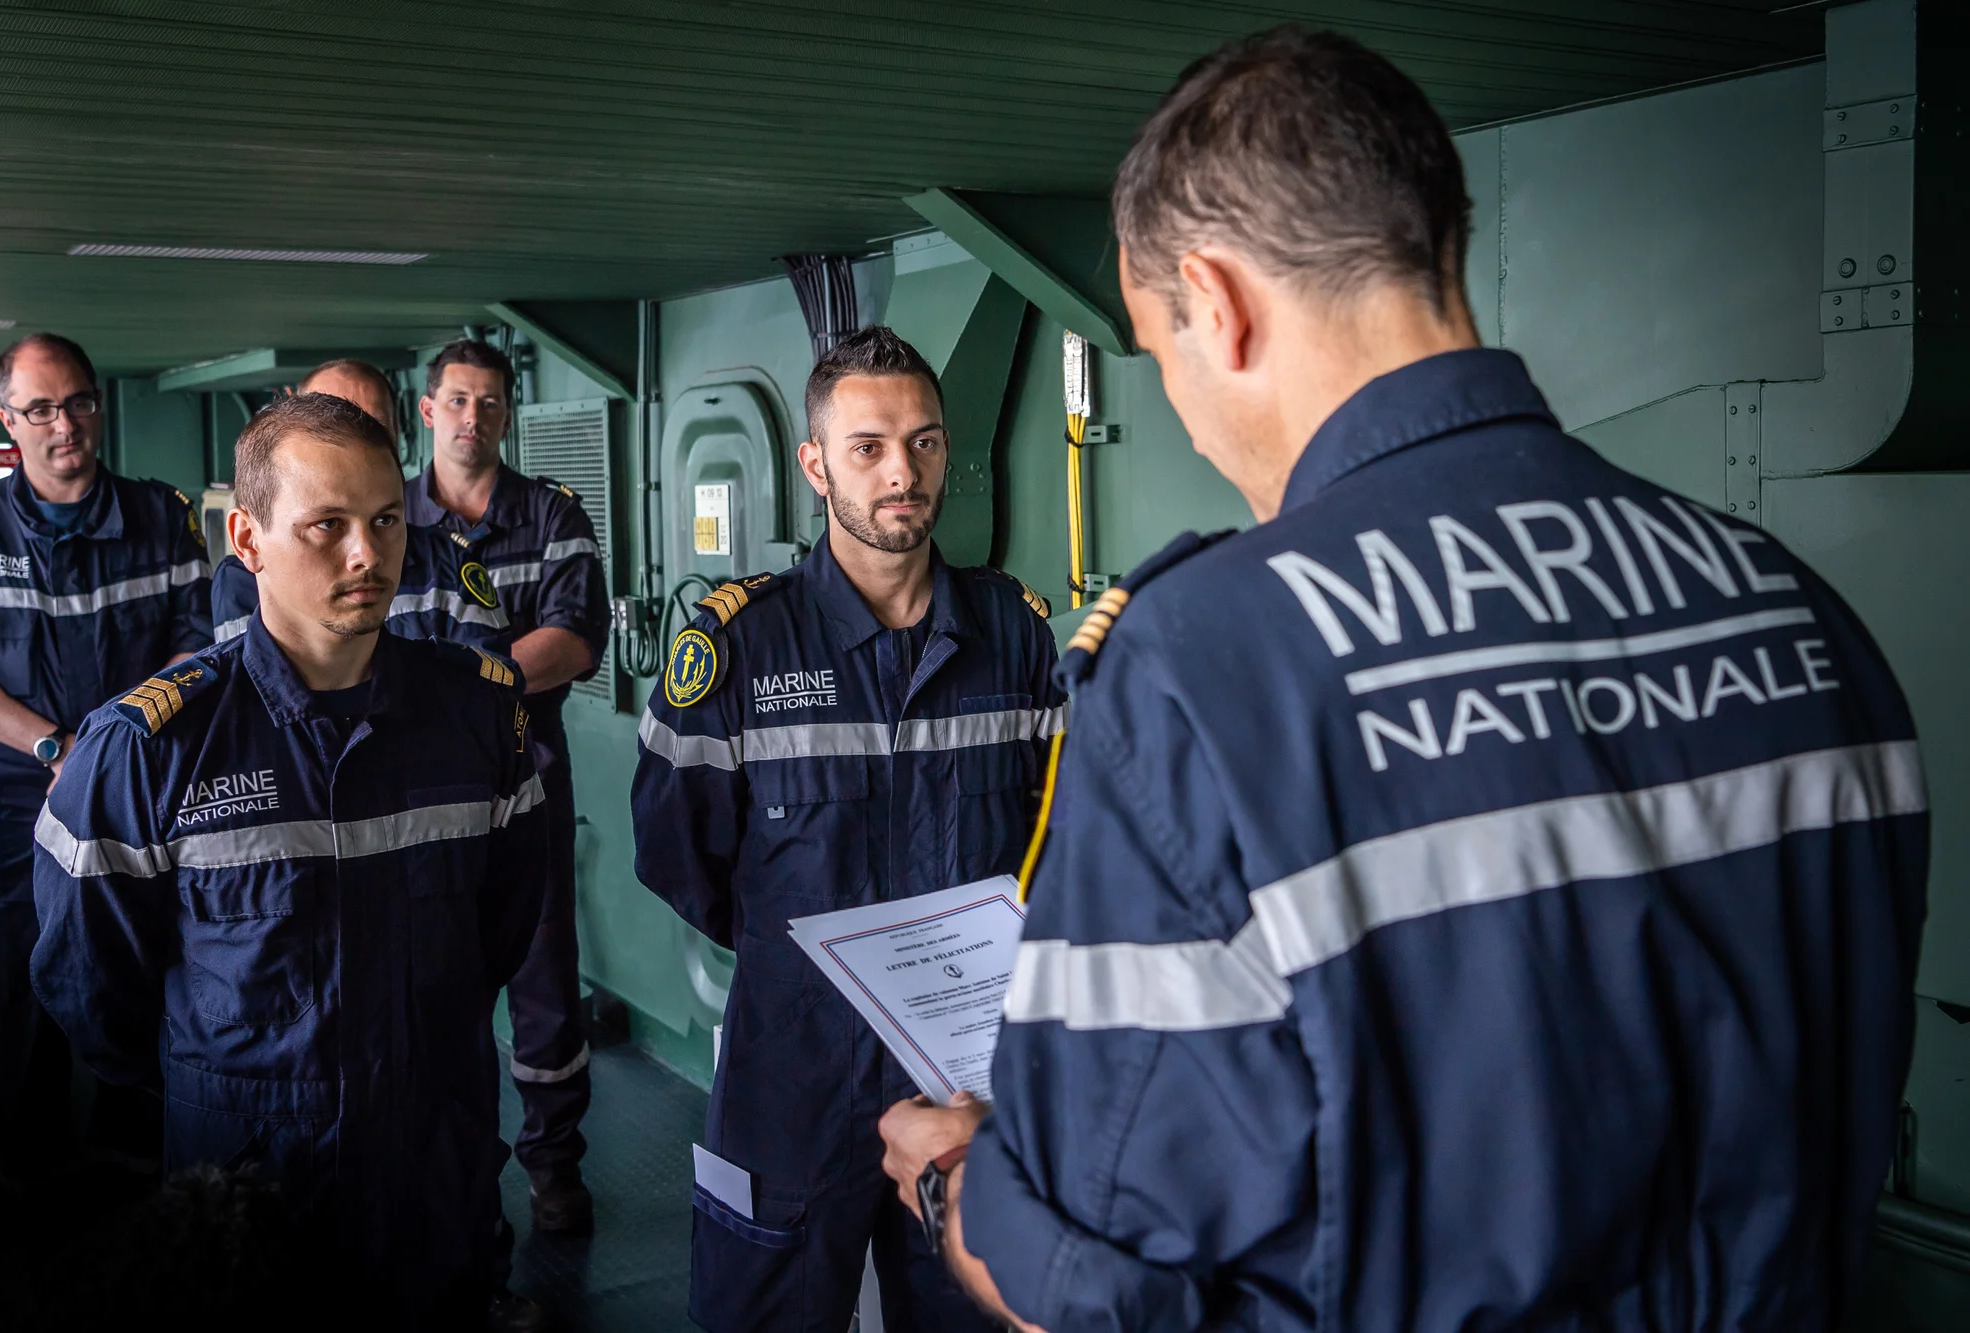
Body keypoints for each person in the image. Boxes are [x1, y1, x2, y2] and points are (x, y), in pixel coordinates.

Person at [877, 28, 1928, 1333]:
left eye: (1161, 352)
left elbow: (1103, 1290)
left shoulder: (1207, 668)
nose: (1193, 421)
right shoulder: (1796, 607)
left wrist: (959, 1192)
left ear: (1218, 301)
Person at [28, 394, 548, 1325]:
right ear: (247, 537)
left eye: (387, 520)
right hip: (246, 1190)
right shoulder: (148, 748)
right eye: (327, 526)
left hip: (435, 1174)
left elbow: (502, 929)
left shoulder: (480, 721)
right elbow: (93, 992)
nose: (367, 554)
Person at [631, 326, 1065, 1333]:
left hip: (965, 1071)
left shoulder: (1017, 634)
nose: (900, 471)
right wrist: (794, 971)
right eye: (867, 446)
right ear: (815, 464)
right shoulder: (734, 648)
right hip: (792, 1069)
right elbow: (676, 855)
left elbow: (1059, 836)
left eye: (922, 442)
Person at [0, 332, 211, 1187]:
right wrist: (54, 746)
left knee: (143, 976)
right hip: (10, 809)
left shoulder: (162, 516)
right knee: (17, 996)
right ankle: (25, 1186)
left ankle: (139, 1175)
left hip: (136, 795)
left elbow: (197, 656)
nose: (64, 423)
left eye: (77, 401)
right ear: (8, 421)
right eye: (40, 408)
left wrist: (109, 751)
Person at [406, 337, 609, 1232]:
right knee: (429, 983)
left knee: (542, 977)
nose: (473, 418)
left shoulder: (553, 515)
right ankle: (447, 1173)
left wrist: (452, 693)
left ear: (507, 412)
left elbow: (571, 640)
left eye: (490, 403)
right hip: (411, 801)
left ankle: (555, 1163)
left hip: (526, 785)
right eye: (457, 401)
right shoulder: (386, 517)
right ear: (427, 409)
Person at [210, 359, 505, 648]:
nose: (367, 555)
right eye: (326, 423)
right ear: (249, 541)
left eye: (371, 427)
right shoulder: (242, 578)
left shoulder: (449, 561)